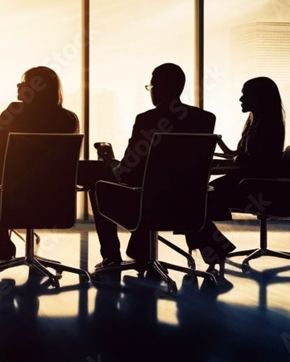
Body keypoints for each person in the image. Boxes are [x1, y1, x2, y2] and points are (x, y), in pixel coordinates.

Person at [88, 63, 216, 271]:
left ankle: (113, 255)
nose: (151, 91)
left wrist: (109, 161)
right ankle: (142, 250)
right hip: (188, 204)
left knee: (98, 185)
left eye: (151, 86)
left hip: (149, 205)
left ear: (158, 88)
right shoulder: (204, 118)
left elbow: (126, 173)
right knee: (156, 187)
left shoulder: (147, 120)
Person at [185, 76, 286, 270]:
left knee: (194, 199)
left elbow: (252, 162)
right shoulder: (260, 124)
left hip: (252, 186)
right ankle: (212, 245)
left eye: (244, 94)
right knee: (194, 198)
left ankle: (214, 245)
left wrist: (229, 160)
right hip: (248, 182)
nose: (241, 99)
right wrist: (222, 151)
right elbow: (244, 157)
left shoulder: (266, 128)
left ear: (258, 98)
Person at [0, 66, 79, 265]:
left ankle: (4, 243)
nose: (18, 85)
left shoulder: (13, 112)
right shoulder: (69, 119)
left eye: (23, 82)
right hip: (55, 203)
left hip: (16, 201)